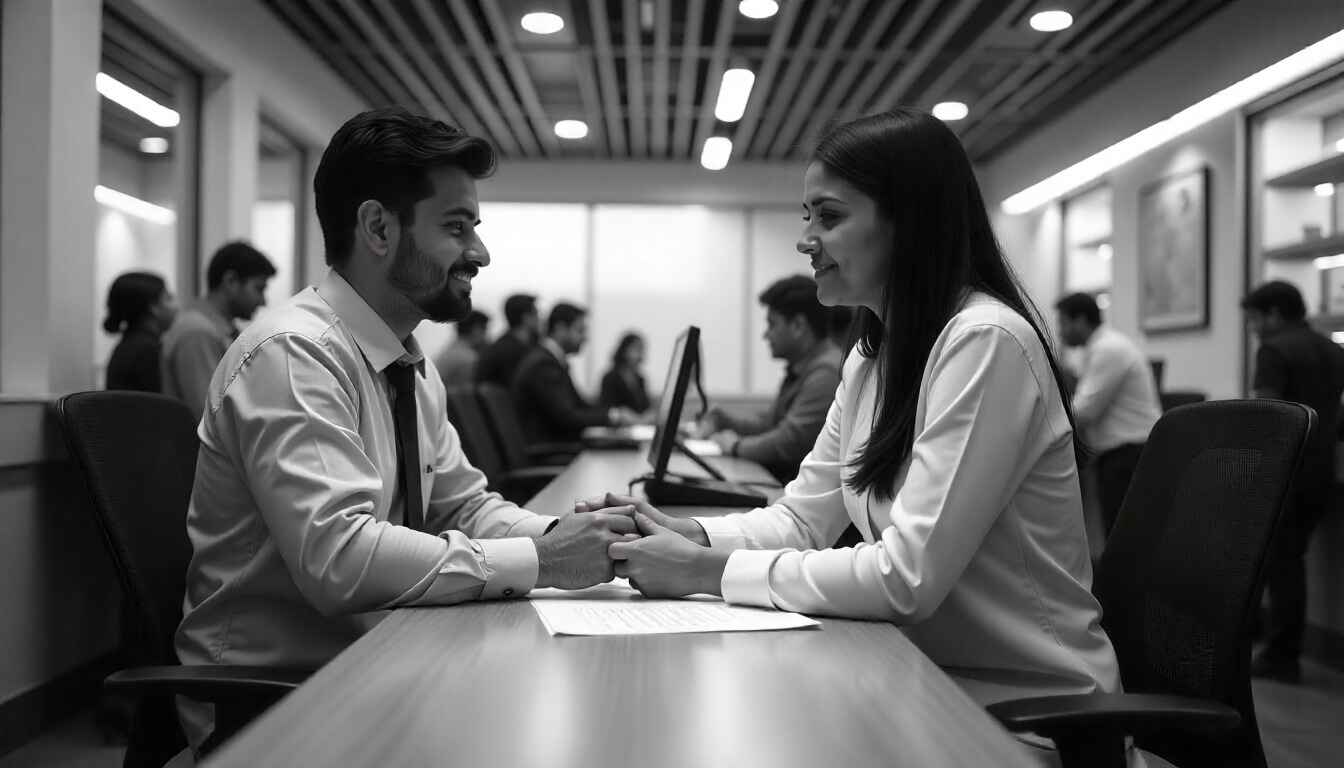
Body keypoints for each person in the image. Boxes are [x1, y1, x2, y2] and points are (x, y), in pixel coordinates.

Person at [586, 109, 1123, 736]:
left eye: (830, 216)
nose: (805, 238)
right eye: (807, 216)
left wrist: (706, 572)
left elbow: (906, 578)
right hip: (921, 679)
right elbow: (801, 519)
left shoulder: (986, 341)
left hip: (1023, 714)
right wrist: (695, 536)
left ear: (908, 224)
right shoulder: (873, 357)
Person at [175, 108, 636, 749]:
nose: (480, 252)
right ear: (378, 228)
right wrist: (545, 558)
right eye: (456, 226)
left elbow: (464, 506)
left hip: (379, 657)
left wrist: (581, 538)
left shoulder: (406, 362)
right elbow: (339, 559)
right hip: (277, 702)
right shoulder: (292, 354)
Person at [1242, 280, 1344, 683]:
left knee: (1277, 563)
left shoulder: (1274, 350)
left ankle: (1280, 655)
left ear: (1274, 314)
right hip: (1321, 471)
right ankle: (1284, 649)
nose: (1253, 329)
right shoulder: (1334, 349)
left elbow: (1266, 416)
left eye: (1254, 319)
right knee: (1291, 561)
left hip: (1283, 470)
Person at [698, 274, 842, 483]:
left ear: (798, 326)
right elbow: (771, 424)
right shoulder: (802, 368)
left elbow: (788, 442)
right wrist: (726, 420)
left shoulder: (826, 372)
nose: (766, 335)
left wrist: (735, 446)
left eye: (772, 324)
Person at [1054, 292, 1161, 535]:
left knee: (1123, 535)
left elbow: (1083, 411)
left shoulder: (1108, 350)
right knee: (1121, 532)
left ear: (1080, 320)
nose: (1060, 332)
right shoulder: (1100, 348)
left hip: (1128, 455)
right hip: (1124, 454)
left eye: (1063, 323)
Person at [161, 241, 277, 419]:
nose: (263, 301)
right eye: (258, 289)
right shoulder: (197, 333)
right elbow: (212, 416)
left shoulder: (222, 331)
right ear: (230, 281)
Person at [512, 302, 636, 443]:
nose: (585, 338)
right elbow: (567, 417)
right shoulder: (543, 364)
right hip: (551, 451)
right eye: (580, 330)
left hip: (559, 447)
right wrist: (614, 416)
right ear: (560, 329)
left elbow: (579, 406)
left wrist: (614, 413)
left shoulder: (551, 360)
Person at [102, 271, 177, 393]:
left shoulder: (132, 343)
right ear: (154, 307)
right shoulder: (147, 349)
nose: (176, 306)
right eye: (169, 298)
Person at [476, 293, 540, 387]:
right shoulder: (517, 352)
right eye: (536, 313)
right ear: (526, 317)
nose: (539, 318)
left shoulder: (499, 346)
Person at [599, 331, 651, 414]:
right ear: (624, 350)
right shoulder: (610, 378)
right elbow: (606, 409)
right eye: (636, 349)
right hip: (617, 425)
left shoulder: (640, 379)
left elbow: (646, 407)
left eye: (641, 350)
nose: (639, 355)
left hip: (640, 425)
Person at [435, 309, 490, 387]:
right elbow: (466, 393)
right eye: (485, 329)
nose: (487, 335)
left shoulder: (449, 351)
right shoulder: (468, 358)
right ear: (476, 330)